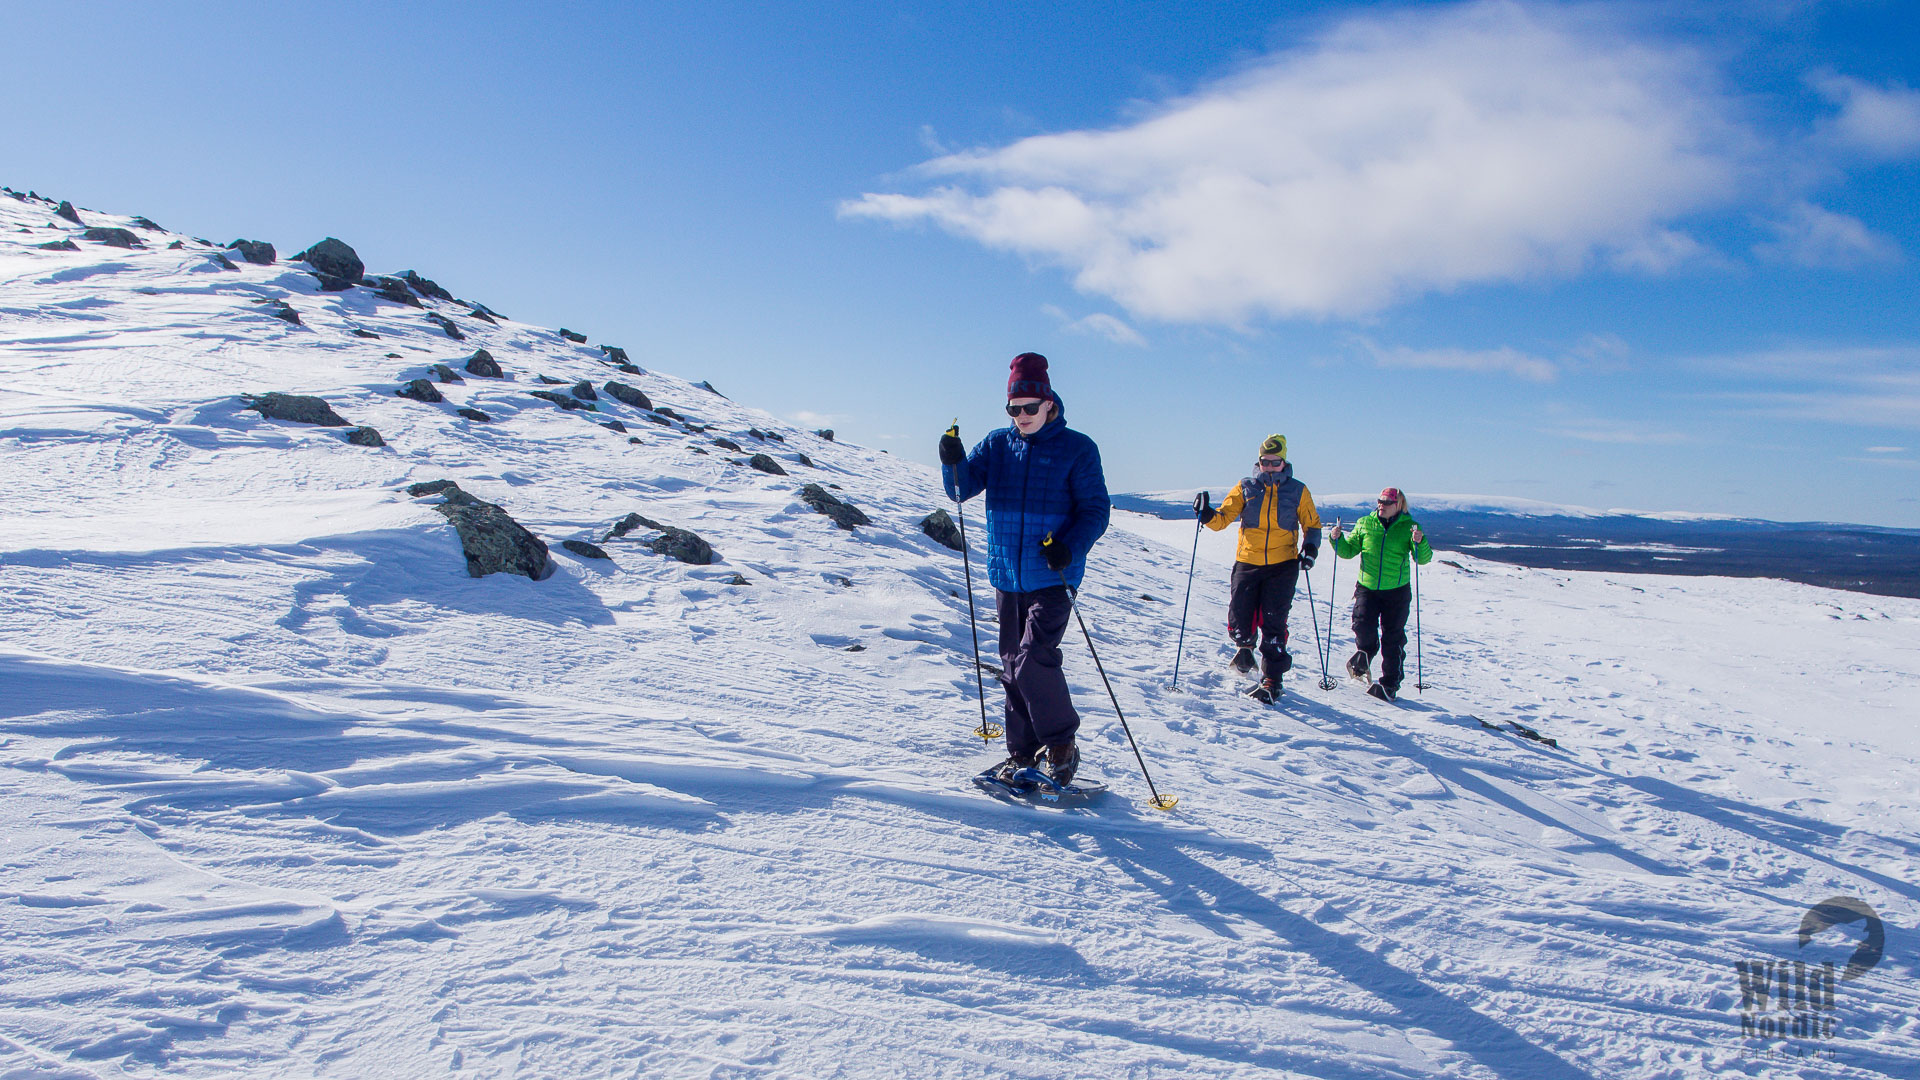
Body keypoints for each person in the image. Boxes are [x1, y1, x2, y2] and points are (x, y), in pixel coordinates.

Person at [940, 352, 1110, 786]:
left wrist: (1069, 548)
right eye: (1013, 409)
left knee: (1033, 658)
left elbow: (1095, 510)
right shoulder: (998, 444)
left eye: (1029, 408)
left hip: (1054, 576)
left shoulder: (1078, 449)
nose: (1021, 416)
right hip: (1007, 576)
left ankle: (1061, 745)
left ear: (1049, 403)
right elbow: (961, 490)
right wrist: (952, 459)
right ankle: (1022, 754)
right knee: (1012, 663)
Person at [1193, 434, 1321, 704]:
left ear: (1284, 462)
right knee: (1239, 616)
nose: (1270, 467)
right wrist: (1206, 515)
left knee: (1274, 620)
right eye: (1265, 462)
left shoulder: (1298, 490)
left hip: (1282, 564)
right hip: (1248, 561)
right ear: (1259, 461)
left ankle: (1272, 680)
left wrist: (1310, 549)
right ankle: (1244, 646)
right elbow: (1223, 517)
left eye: (1275, 463)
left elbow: (1312, 525)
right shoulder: (1246, 487)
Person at [1329, 487, 1433, 701]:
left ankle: (1389, 684)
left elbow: (1422, 559)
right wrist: (1335, 539)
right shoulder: (1365, 523)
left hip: (1397, 591)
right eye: (1380, 501)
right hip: (1367, 587)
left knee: (1393, 638)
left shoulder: (1409, 527)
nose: (1381, 505)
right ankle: (1365, 654)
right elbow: (1348, 551)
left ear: (1398, 505)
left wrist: (1420, 542)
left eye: (1387, 502)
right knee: (1361, 624)